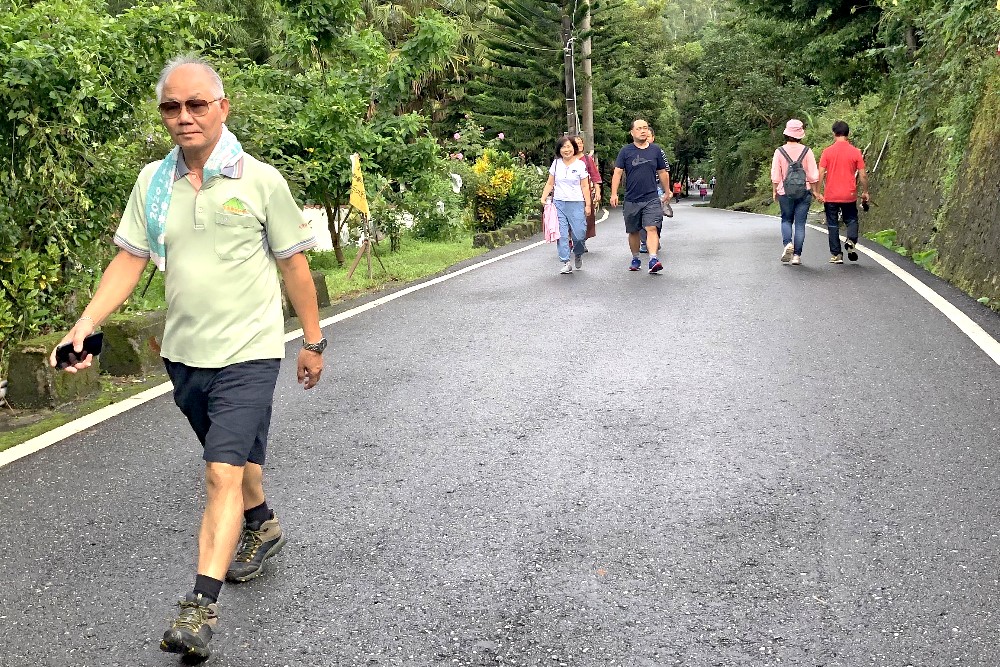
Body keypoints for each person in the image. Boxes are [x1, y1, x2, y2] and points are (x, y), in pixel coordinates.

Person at [49, 56, 326, 663]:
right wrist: (87, 323)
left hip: (251, 351)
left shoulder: (261, 180)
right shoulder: (152, 183)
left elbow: (294, 266)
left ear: (223, 108)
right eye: (172, 107)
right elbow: (130, 260)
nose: (184, 117)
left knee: (219, 472)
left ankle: (198, 610)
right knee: (232, 456)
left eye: (197, 104)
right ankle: (264, 522)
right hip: (185, 356)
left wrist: (311, 339)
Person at [610, 119, 671, 273]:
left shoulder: (655, 150)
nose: (643, 131)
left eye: (645, 128)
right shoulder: (626, 151)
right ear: (632, 132)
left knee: (652, 228)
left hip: (651, 197)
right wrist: (614, 193)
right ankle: (636, 257)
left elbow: (662, 172)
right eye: (639, 128)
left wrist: (667, 191)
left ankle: (653, 259)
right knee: (633, 231)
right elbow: (617, 172)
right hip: (632, 198)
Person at [817, 120, 869, 263]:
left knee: (832, 224)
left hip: (831, 195)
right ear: (848, 134)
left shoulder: (827, 152)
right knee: (851, 220)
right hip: (849, 195)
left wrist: (817, 191)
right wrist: (865, 191)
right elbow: (863, 174)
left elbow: (820, 173)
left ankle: (837, 255)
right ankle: (851, 240)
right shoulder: (855, 152)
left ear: (834, 133)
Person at [540, 136, 592, 274]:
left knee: (579, 235)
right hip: (559, 204)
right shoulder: (556, 164)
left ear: (574, 148)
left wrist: (588, 205)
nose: (566, 150)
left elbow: (585, 186)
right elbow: (550, 183)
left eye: (569, 146)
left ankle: (578, 253)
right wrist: (543, 197)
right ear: (559, 150)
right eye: (563, 147)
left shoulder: (580, 165)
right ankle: (566, 261)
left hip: (576, 203)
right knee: (562, 235)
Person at [771, 118, 819, 266]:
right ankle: (797, 255)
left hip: (785, 191)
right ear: (800, 134)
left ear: (786, 133)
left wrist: (775, 191)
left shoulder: (779, 152)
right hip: (804, 191)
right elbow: (813, 174)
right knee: (800, 224)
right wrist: (816, 191)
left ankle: (787, 244)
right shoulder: (807, 151)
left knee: (786, 220)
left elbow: (775, 174)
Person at [637, 129, 671, 254]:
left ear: (653, 138)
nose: (646, 138)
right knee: (640, 216)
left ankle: (654, 238)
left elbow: (665, 171)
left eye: (649, 136)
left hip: (657, 187)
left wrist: (667, 190)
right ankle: (644, 242)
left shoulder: (658, 152)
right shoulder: (634, 151)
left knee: (656, 216)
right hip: (639, 189)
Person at [571, 135, 601, 242]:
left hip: (585, 193)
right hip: (570, 193)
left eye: (580, 143)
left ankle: (581, 240)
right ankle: (572, 240)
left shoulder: (587, 160)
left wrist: (597, 191)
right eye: (576, 143)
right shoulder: (567, 160)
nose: (579, 145)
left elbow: (594, 175)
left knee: (585, 218)